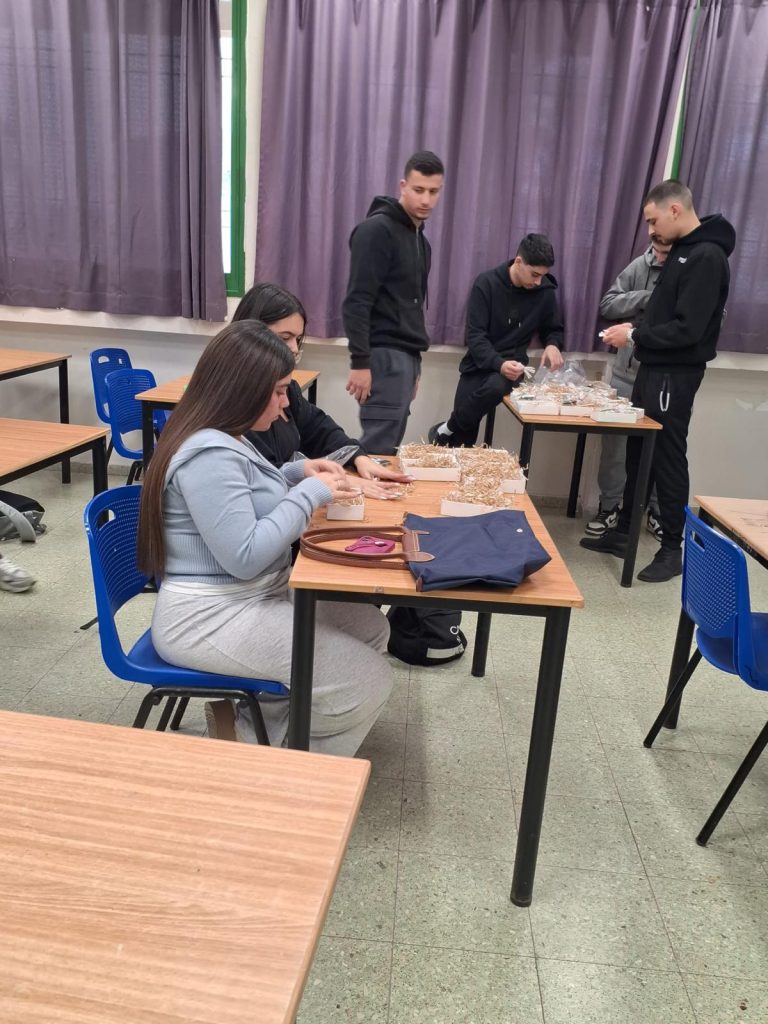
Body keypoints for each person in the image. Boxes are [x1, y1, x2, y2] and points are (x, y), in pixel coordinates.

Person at [137, 320, 393, 752]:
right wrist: (311, 493)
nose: (285, 404)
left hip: (252, 596)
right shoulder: (208, 453)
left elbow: (246, 493)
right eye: (277, 392)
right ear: (240, 390)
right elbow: (246, 556)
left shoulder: (225, 437)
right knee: (367, 681)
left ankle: (260, 736)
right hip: (209, 615)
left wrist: (296, 472)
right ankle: (295, 778)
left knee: (369, 628)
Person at [581, 179, 735, 583]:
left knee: (666, 456)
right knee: (640, 451)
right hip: (653, 369)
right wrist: (638, 332)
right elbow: (663, 314)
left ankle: (671, 550)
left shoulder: (706, 256)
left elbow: (687, 329)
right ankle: (625, 531)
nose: (650, 230)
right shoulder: (682, 251)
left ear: (674, 210)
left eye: (653, 221)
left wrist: (633, 334)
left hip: (674, 375)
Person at [233, 283, 411, 497]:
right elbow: (264, 476)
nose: (294, 348)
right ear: (251, 335)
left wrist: (358, 457)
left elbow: (318, 427)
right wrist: (340, 481)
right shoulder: (236, 403)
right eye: (285, 338)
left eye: (298, 339)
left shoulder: (288, 389)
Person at [343, 150, 445, 454]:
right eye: (418, 189)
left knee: (387, 449)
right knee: (377, 449)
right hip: (382, 355)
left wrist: (415, 366)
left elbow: (412, 308)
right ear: (403, 186)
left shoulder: (420, 241)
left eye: (433, 192)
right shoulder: (376, 231)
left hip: (405, 358)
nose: (426, 199)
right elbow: (357, 302)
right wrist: (360, 362)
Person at [428, 233, 564, 447]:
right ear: (518, 261)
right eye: (534, 274)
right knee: (461, 440)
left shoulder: (544, 291)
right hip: (478, 364)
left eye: (543, 276)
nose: (538, 282)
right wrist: (497, 363)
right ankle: (449, 435)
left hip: (513, 366)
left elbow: (553, 328)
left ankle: (446, 428)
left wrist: (553, 344)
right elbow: (475, 336)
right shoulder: (487, 283)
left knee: (494, 387)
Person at [584, 240, 671, 539]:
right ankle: (609, 507)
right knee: (616, 448)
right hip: (626, 375)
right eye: (656, 249)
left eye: (666, 251)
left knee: (663, 448)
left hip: (666, 379)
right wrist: (645, 298)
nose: (658, 256)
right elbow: (608, 304)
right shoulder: (639, 265)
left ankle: (656, 512)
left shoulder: (691, 269)